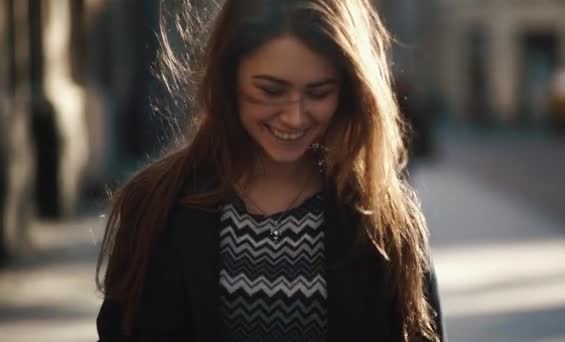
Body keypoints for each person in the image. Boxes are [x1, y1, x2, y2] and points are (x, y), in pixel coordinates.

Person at [95, 0, 444, 341]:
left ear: (349, 92)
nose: (294, 116)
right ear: (229, 77)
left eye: (319, 92)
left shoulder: (388, 222)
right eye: (270, 90)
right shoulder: (155, 204)